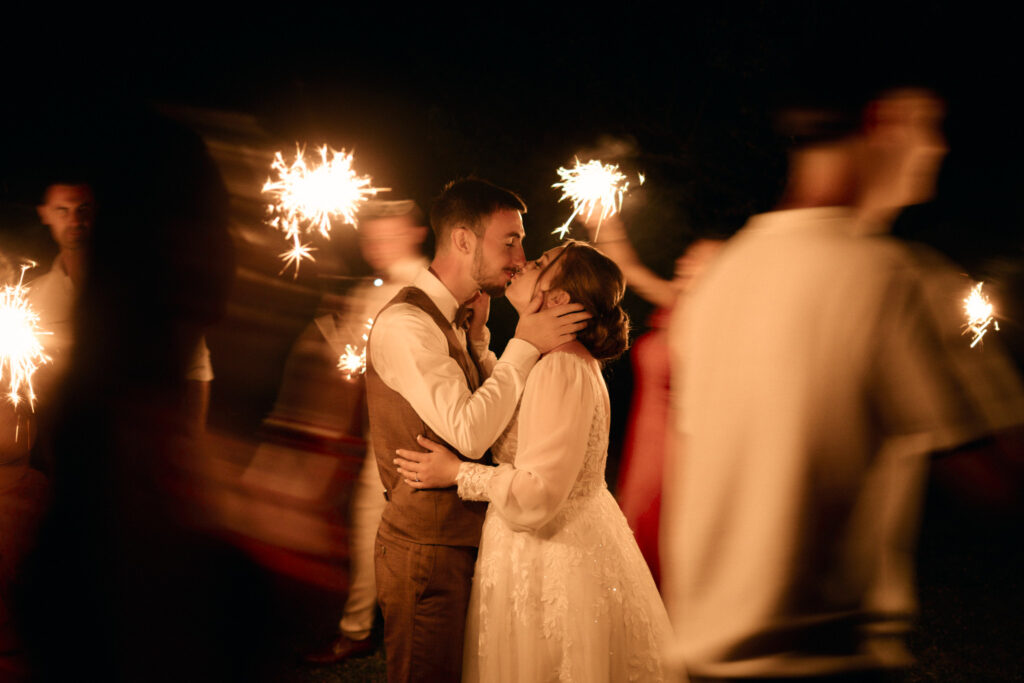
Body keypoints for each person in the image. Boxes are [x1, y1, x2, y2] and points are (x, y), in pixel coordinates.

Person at [662, 87, 1024, 682]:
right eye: (929, 123)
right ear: (887, 120)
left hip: (700, 663)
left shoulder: (720, 280)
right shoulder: (894, 281)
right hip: (822, 666)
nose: (937, 146)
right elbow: (1003, 479)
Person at [394, 240, 673, 682]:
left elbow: (537, 493)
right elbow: (510, 412)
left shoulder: (562, 368)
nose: (523, 263)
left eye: (540, 263)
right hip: (544, 545)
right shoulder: (554, 361)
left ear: (558, 297)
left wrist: (456, 473)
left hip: (553, 552)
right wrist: (481, 338)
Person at [365, 178, 590, 682]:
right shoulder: (408, 324)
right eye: (509, 240)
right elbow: (469, 434)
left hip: (461, 543)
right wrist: (524, 345)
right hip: (426, 553)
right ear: (464, 240)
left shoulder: (455, 322)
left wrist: (481, 341)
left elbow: (494, 418)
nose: (520, 256)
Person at [304, 199, 428, 663]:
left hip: (421, 433)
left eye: (388, 234)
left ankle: (400, 628)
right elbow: (350, 366)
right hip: (377, 435)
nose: (377, 245)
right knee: (365, 529)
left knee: (418, 538)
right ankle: (359, 627)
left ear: (414, 232)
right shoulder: (364, 291)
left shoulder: (431, 285)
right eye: (370, 237)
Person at [584, 214, 724, 585]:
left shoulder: (718, 325)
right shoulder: (677, 301)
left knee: (664, 534)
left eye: (701, 259)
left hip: (680, 446)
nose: (685, 262)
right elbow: (626, 269)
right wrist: (606, 222)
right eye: (688, 256)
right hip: (646, 438)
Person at [29, 180, 214, 433]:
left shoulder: (142, 284)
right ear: (45, 213)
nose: (74, 221)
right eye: (62, 210)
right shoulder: (34, 298)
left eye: (83, 209)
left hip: (139, 438)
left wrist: (193, 434)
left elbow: (196, 363)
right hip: (71, 446)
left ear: (97, 211)